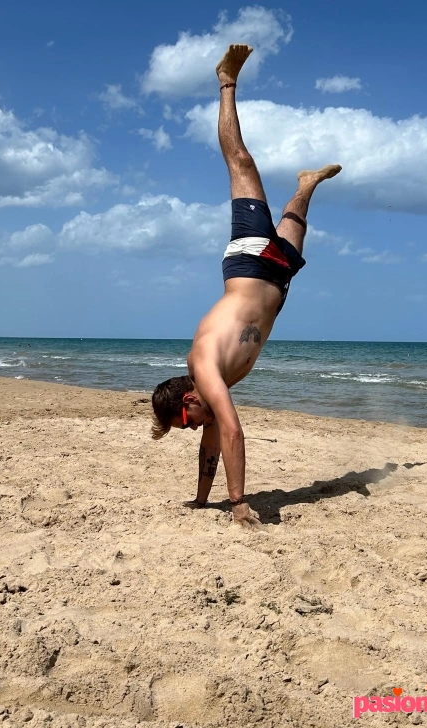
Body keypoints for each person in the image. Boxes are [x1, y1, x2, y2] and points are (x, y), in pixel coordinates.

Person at [152, 44, 341, 528]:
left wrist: (238, 505)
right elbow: (211, 446)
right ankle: (308, 180)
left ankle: (225, 80)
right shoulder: (204, 401)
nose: (198, 429)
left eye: (191, 423)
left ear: (189, 400)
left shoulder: (204, 368)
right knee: (297, 213)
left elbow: (232, 433)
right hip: (278, 281)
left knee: (241, 161)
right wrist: (201, 499)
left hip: (251, 264)